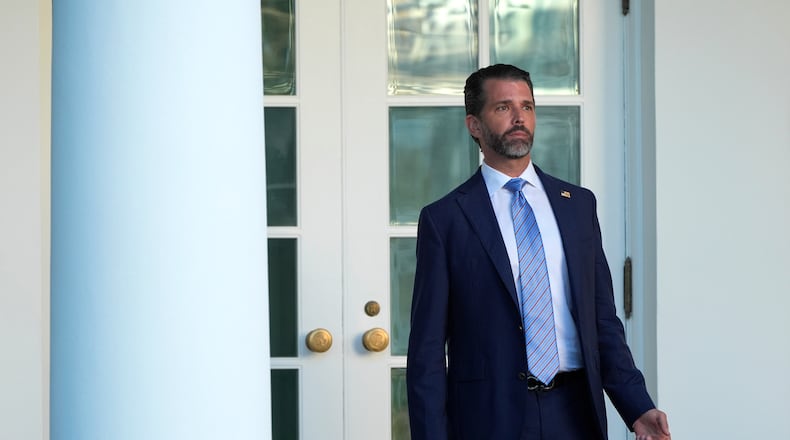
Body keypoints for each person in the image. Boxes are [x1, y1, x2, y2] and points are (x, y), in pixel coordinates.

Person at [406, 64, 670, 440]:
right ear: (474, 125)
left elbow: (603, 322)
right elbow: (427, 352)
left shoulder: (577, 205)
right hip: (489, 417)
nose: (519, 118)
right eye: (503, 108)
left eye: (527, 107)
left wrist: (637, 406)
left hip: (575, 413)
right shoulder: (445, 219)